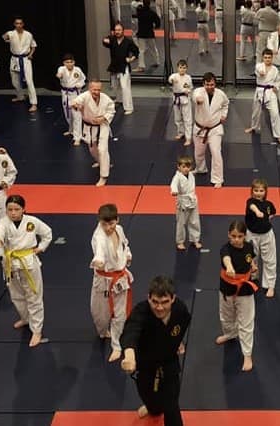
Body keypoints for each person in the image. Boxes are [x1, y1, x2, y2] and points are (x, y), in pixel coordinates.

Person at [121, 276, 191, 426]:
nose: (159, 307)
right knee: (148, 397)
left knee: (171, 405)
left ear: (173, 299)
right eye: (155, 302)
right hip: (146, 362)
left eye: (165, 302)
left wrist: (177, 342)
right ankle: (153, 408)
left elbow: (183, 324)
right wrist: (129, 357)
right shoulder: (141, 311)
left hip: (168, 361)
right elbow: (130, 332)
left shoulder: (180, 310)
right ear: (149, 298)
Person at [0, 195, 52, 348]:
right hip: (10, 263)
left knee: (34, 296)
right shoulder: (3, 223)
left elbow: (47, 233)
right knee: (16, 295)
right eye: (9, 209)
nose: (13, 213)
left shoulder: (31, 221)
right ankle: (25, 318)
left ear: (24, 209)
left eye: (16, 209)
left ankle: (37, 330)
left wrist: (41, 247)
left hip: (29, 263)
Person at [91, 204, 134, 362]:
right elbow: (99, 251)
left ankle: (117, 345)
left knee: (119, 314)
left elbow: (125, 244)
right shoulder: (99, 237)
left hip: (120, 278)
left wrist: (128, 255)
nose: (108, 228)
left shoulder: (120, 229)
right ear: (100, 221)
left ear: (117, 220)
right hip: (103, 279)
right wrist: (99, 261)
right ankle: (103, 332)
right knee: (100, 314)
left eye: (111, 224)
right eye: (104, 224)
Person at [216, 221, 259, 372]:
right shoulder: (225, 249)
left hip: (245, 289)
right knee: (226, 316)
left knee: (246, 322)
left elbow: (250, 258)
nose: (236, 239)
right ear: (228, 235)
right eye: (233, 236)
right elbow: (226, 258)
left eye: (240, 236)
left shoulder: (249, 247)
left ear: (245, 236)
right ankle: (230, 334)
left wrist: (253, 266)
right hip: (226, 288)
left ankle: (247, 354)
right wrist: (229, 266)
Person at [72, 79, 116, 187]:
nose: (96, 92)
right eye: (94, 89)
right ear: (89, 88)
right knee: (92, 149)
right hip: (89, 127)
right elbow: (76, 102)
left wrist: (104, 118)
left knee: (103, 149)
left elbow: (112, 110)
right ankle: (100, 161)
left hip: (102, 126)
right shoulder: (84, 96)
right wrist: (75, 104)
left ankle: (103, 176)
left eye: (99, 90)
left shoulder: (105, 98)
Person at [192, 72, 230, 188]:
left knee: (216, 153)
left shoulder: (221, 94)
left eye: (212, 84)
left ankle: (217, 178)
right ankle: (200, 168)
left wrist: (224, 115)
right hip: (200, 128)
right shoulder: (198, 92)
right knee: (199, 152)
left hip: (215, 128)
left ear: (215, 84)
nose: (209, 86)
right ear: (203, 84)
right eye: (207, 84)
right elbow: (195, 97)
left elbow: (226, 104)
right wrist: (198, 100)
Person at [245, 49, 280, 144]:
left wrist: (276, 87)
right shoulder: (259, 66)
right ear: (263, 58)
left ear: (272, 58)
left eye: (269, 58)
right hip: (259, 91)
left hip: (270, 92)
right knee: (256, 112)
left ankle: (279, 135)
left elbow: (278, 80)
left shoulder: (275, 69)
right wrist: (261, 73)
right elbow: (258, 71)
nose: (267, 59)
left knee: (275, 113)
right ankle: (254, 127)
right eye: (266, 57)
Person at [245, 178, 278, 298]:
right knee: (252, 258)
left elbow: (273, 212)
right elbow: (252, 206)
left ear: (265, 191)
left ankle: (270, 285)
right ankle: (253, 278)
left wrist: (267, 218)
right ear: (252, 191)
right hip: (252, 234)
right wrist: (258, 212)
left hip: (267, 234)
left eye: (261, 191)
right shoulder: (250, 202)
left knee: (269, 260)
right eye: (256, 190)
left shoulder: (269, 204)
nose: (258, 193)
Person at [2, 16, 38, 112]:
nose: (18, 25)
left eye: (20, 23)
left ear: (23, 24)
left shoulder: (28, 35)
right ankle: (20, 96)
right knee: (14, 80)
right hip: (14, 59)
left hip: (26, 59)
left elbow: (33, 46)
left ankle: (34, 103)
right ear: (14, 25)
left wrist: (30, 54)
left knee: (29, 81)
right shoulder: (11, 33)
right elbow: (5, 37)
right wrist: (6, 35)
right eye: (16, 23)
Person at [102, 23, 139, 115]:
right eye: (116, 30)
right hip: (114, 66)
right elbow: (104, 41)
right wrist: (105, 40)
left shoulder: (128, 41)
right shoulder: (112, 39)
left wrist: (131, 59)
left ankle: (129, 107)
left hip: (124, 67)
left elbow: (136, 51)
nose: (117, 32)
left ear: (123, 31)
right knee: (115, 86)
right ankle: (119, 99)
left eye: (119, 30)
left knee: (125, 87)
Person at [170, 156, 202, 250]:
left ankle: (195, 239)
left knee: (194, 221)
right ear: (178, 167)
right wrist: (174, 191)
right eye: (183, 167)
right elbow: (173, 184)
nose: (186, 169)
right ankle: (180, 242)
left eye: (188, 167)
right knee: (181, 223)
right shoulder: (177, 177)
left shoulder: (191, 175)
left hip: (192, 200)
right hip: (183, 201)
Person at [56, 54, 87, 144]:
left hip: (75, 94)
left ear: (74, 62)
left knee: (76, 114)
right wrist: (59, 75)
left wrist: (80, 85)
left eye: (71, 62)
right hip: (65, 94)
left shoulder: (78, 70)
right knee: (68, 114)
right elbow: (59, 74)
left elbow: (83, 79)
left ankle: (78, 137)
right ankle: (71, 129)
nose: (69, 64)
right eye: (67, 62)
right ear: (64, 63)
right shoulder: (61, 69)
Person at [168, 60, 194, 146]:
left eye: (184, 68)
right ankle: (180, 133)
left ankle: (188, 138)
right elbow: (170, 79)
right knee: (177, 118)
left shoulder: (188, 77)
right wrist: (172, 80)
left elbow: (189, 88)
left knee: (187, 119)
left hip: (185, 99)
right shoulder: (174, 76)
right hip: (176, 99)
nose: (182, 69)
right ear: (177, 68)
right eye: (180, 68)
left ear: (187, 68)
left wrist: (187, 91)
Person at [134, 0, 161, 72]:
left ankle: (141, 66)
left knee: (141, 50)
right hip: (150, 33)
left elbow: (136, 9)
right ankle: (156, 61)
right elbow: (158, 22)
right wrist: (156, 27)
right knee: (153, 48)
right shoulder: (152, 13)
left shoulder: (140, 11)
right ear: (150, 4)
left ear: (143, 3)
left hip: (141, 34)